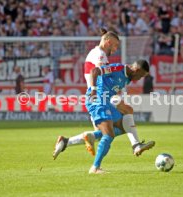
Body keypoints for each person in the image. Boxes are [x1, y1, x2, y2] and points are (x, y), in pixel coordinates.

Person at [53, 28, 154, 158]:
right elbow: (98, 73)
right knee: (120, 120)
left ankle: (66, 141)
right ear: (107, 42)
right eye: (115, 45)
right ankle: (134, 145)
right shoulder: (100, 54)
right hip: (100, 97)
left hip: (102, 96)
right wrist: (99, 91)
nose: (116, 49)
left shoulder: (98, 53)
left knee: (109, 132)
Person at [53, 60, 155, 174]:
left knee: (124, 125)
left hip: (106, 102)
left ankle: (67, 141)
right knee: (109, 134)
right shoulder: (118, 68)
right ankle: (95, 168)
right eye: (140, 76)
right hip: (97, 100)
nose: (140, 79)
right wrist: (93, 90)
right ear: (136, 70)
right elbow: (94, 71)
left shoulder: (127, 78)